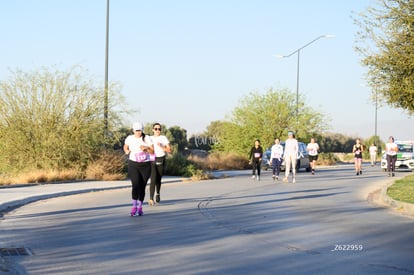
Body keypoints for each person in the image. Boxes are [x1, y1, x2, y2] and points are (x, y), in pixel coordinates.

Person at [123, 122, 154, 216]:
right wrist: (126, 151)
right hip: (133, 164)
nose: (138, 132)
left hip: (145, 165)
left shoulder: (146, 138)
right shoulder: (130, 138)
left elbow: (152, 151)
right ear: (133, 130)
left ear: (142, 130)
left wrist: (146, 149)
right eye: (136, 131)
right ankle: (134, 207)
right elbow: (125, 146)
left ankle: (140, 207)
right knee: (135, 184)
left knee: (142, 186)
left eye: (140, 130)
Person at [149, 123, 171, 206]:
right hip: (152, 159)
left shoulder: (163, 138)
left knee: (158, 178)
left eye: (159, 129)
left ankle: (157, 193)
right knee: (153, 178)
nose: (157, 130)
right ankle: (151, 198)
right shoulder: (149, 138)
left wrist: (162, 147)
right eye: (156, 129)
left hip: (161, 158)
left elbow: (169, 150)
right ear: (153, 130)